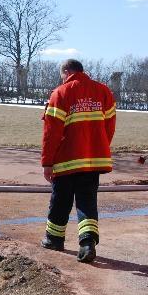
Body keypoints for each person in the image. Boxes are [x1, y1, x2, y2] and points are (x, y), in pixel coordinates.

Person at [40, 59, 116, 263]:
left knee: (61, 200)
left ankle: (54, 239)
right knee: (87, 201)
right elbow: (109, 127)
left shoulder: (61, 93)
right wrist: (97, 147)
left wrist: (47, 162)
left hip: (66, 160)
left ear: (66, 71)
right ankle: (87, 242)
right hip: (92, 160)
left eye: (62, 75)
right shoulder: (103, 92)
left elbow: (51, 133)